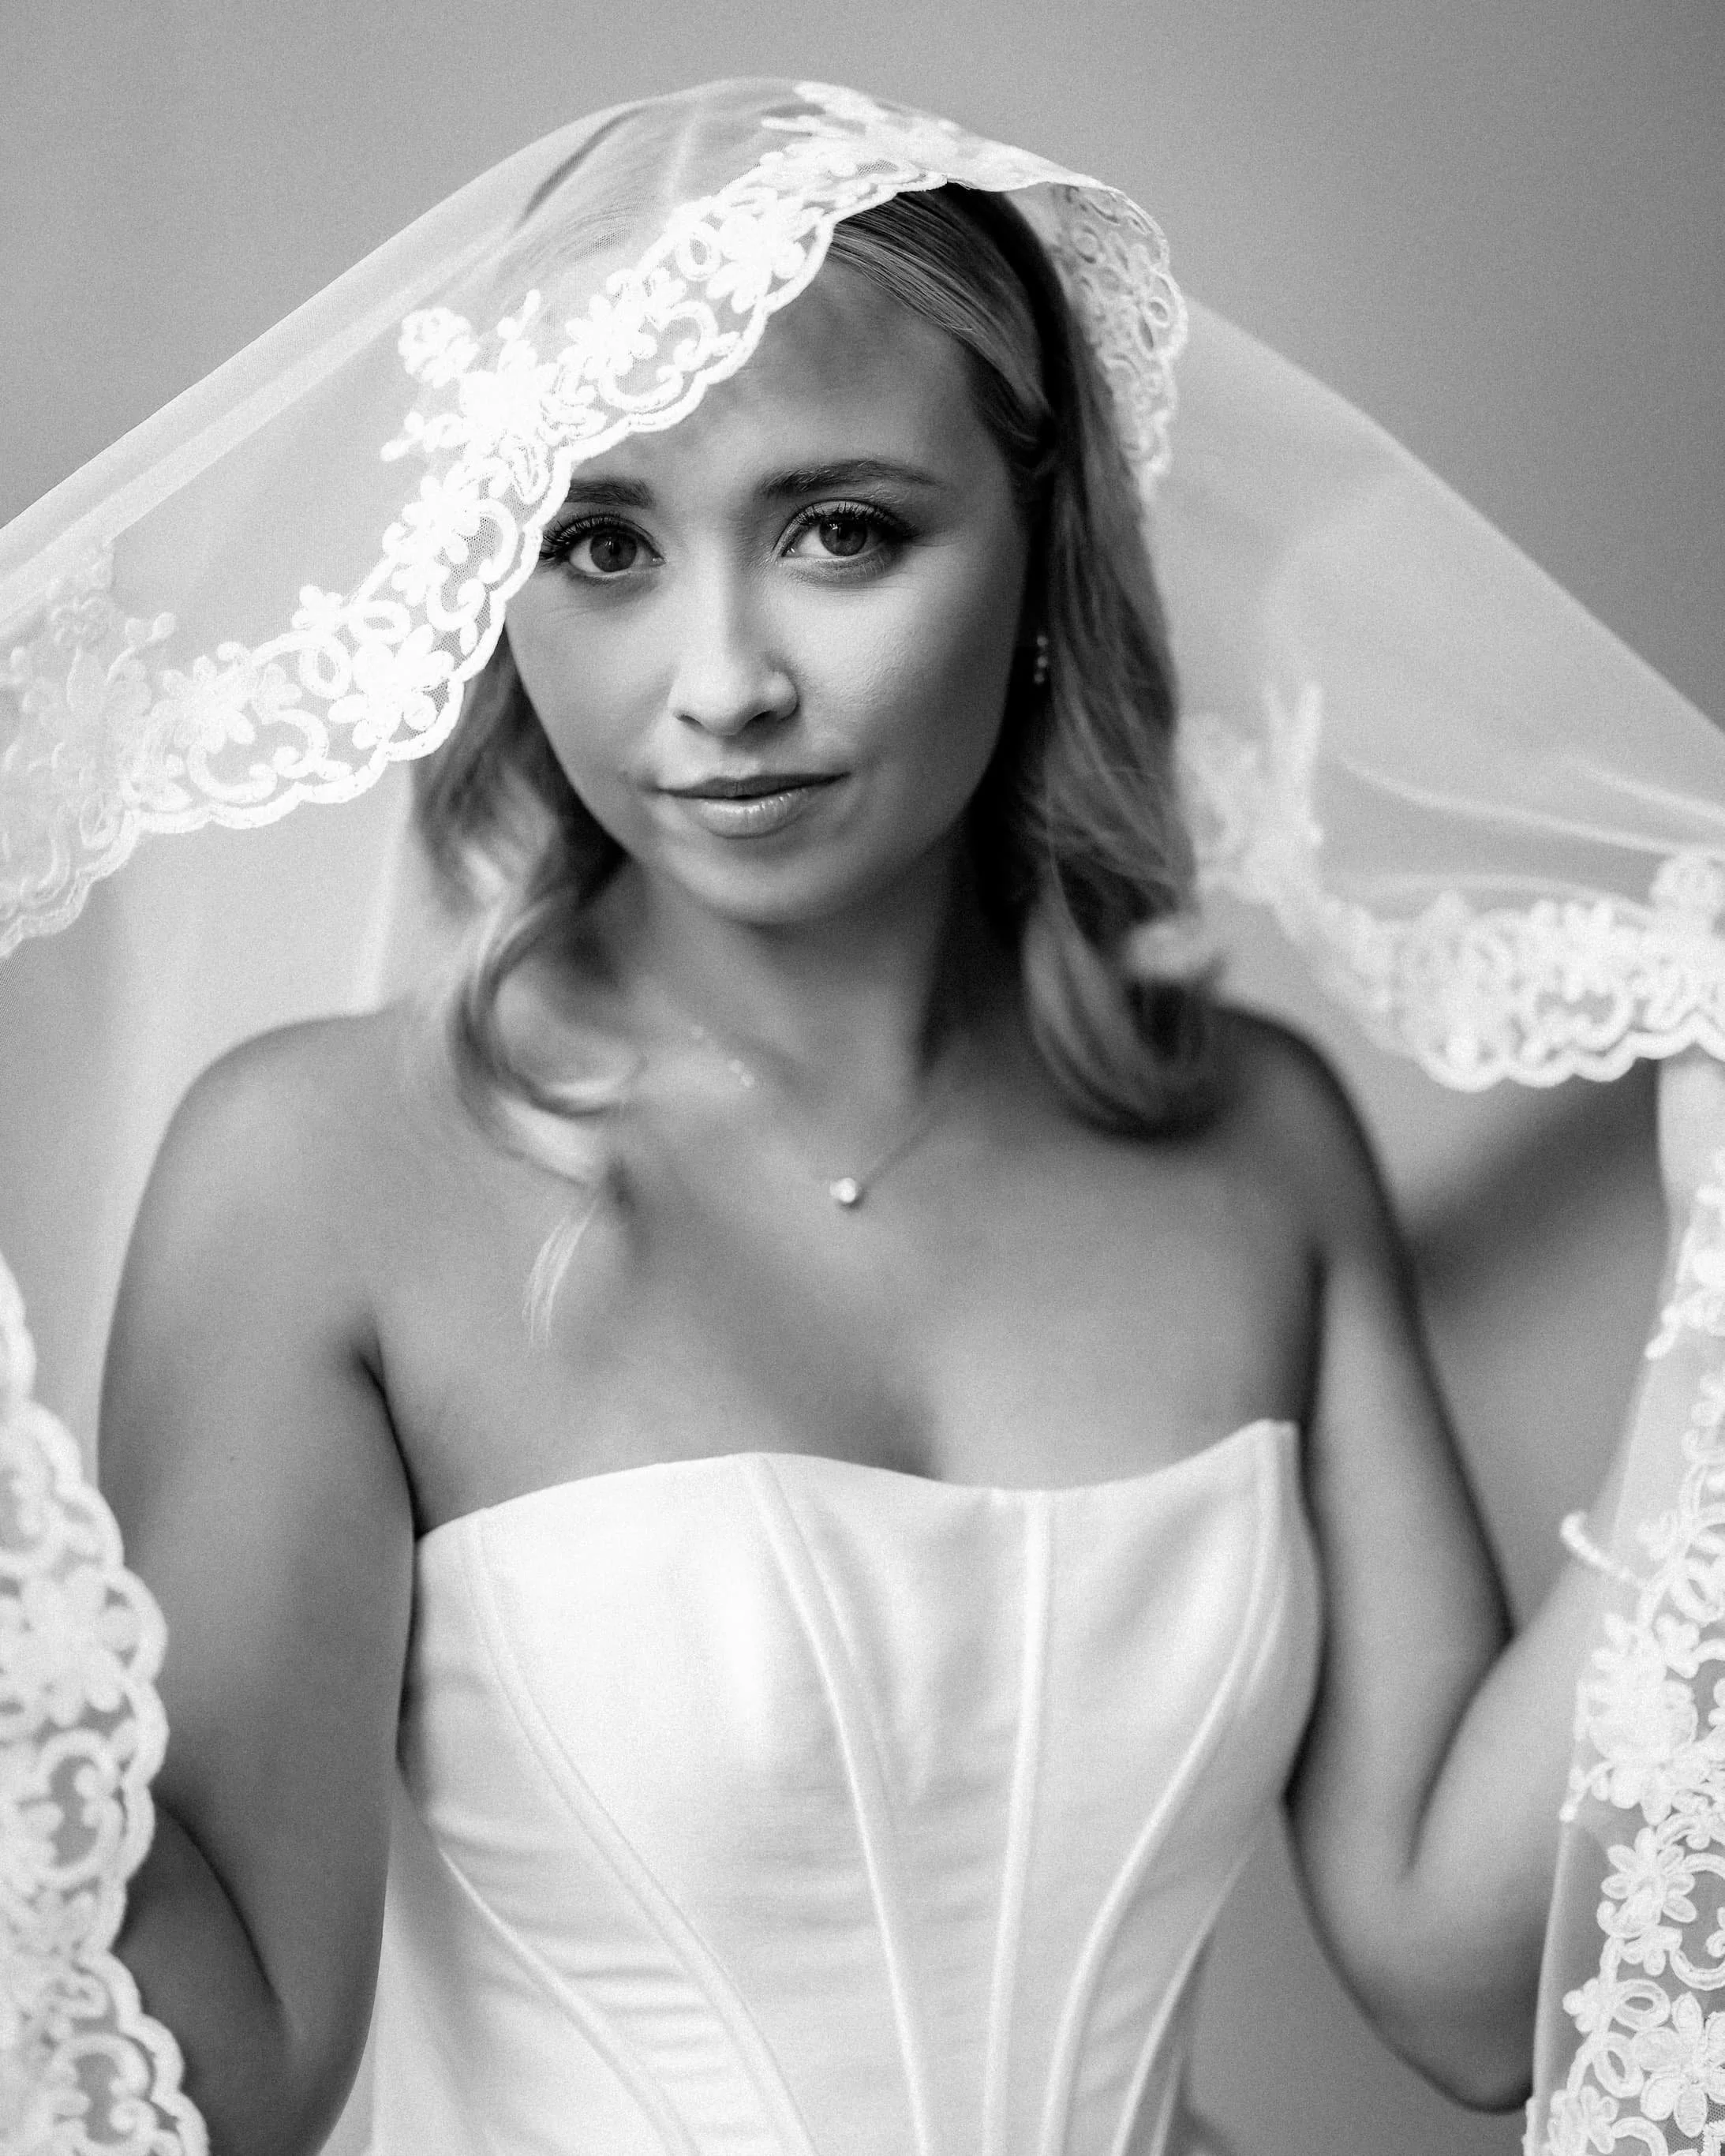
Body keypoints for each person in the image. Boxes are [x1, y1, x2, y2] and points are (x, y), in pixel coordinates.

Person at [2, 79, 1722, 2156]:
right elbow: (233, 2058)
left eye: (841, 530)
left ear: (1041, 537)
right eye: (603, 541)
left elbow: (1471, 1982)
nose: (720, 677)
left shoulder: (1248, 1140)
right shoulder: (324, 1172)